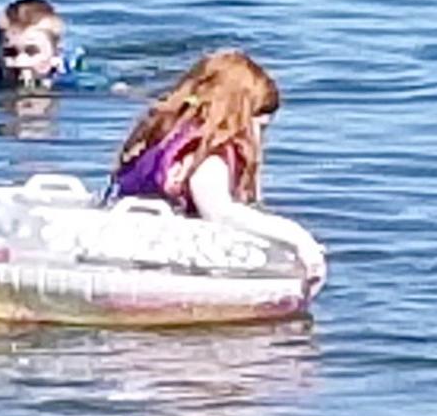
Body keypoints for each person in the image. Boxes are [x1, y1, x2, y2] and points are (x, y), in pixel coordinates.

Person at [109, 49, 327, 282]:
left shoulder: (159, 135)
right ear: (240, 116)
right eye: (260, 128)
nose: (261, 138)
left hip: (127, 243)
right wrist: (297, 237)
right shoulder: (210, 155)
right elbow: (218, 211)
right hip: (157, 261)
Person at [0, 0, 82, 90]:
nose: (20, 63)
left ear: (55, 53)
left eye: (32, 52)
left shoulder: (64, 77)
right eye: (10, 53)